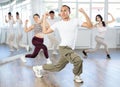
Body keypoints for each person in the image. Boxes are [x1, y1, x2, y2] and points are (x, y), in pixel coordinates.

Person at [32, 5, 92, 83]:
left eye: (65, 10)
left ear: (69, 12)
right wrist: (44, 18)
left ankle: (38, 68)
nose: (63, 12)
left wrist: (84, 12)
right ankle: (77, 76)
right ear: (60, 13)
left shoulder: (76, 21)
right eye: (61, 11)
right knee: (78, 60)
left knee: (57, 67)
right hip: (64, 48)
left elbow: (90, 26)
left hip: (70, 49)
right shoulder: (58, 24)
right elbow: (45, 31)